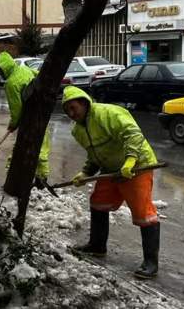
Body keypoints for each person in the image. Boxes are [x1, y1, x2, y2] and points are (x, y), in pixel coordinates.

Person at [62, 85, 160, 279]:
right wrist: (85, 172)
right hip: (111, 170)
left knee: (143, 214)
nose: (71, 114)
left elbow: (133, 134)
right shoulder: (78, 131)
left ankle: (151, 263)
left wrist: (131, 160)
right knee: (98, 203)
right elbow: (94, 155)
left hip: (137, 165)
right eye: (67, 111)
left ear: (84, 103)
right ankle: (97, 246)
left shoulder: (108, 113)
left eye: (73, 108)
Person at [0, 51, 51, 183]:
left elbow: (16, 109)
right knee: (42, 146)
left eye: (0, 70)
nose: (0, 74)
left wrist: (13, 124)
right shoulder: (24, 69)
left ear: (5, 67)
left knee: (21, 147)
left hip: (28, 119)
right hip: (41, 113)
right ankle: (41, 179)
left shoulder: (11, 84)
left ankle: (12, 176)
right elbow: (38, 76)